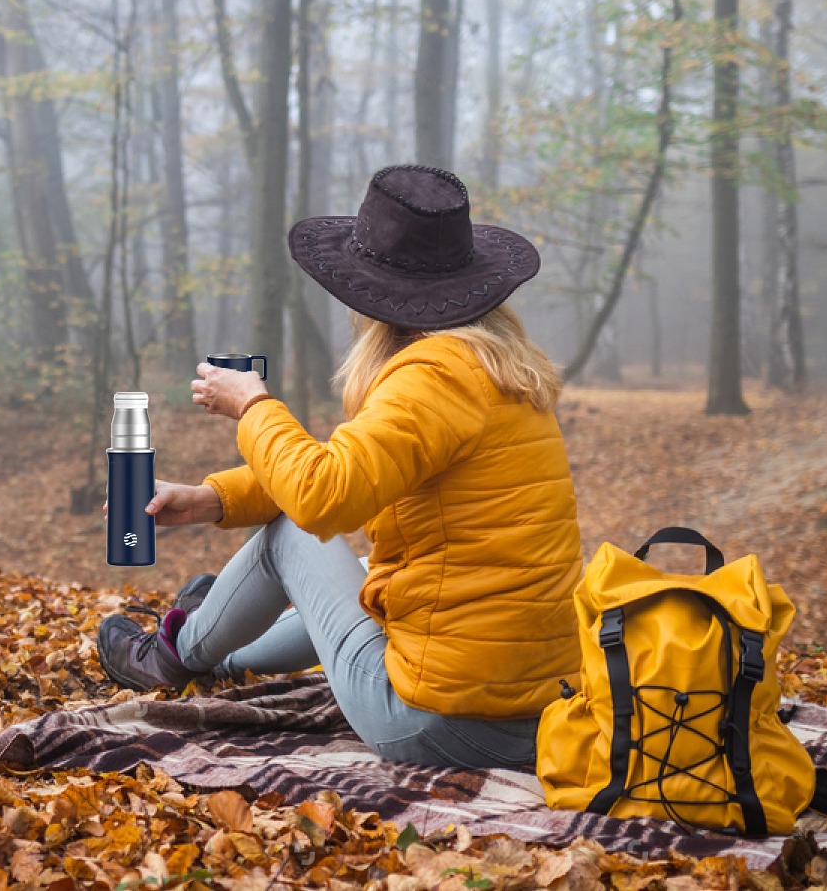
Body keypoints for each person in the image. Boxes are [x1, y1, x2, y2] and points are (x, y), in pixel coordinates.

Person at [96, 164, 582, 770]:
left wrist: (252, 405)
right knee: (356, 568)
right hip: (529, 712)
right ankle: (216, 648)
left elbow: (320, 496)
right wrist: (211, 499)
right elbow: (353, 466)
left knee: (293, 534)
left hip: (436, 723)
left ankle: (170, 654)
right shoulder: (495, 371)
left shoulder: (433, 376)